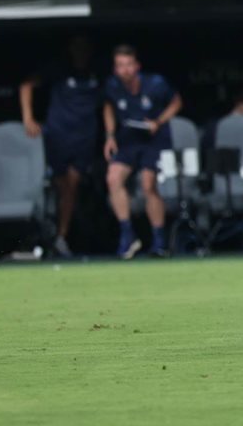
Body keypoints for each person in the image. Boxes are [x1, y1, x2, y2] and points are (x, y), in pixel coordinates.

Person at [19, 36, 100, 257]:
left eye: (85, 48)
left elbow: (107, 104)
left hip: (84, 139)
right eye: (77, 47)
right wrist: (28, 118)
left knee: (72, 185)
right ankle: (53, 235)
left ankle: (61, 236)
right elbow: (26, 85)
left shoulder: (97, 73)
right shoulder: (59, 70)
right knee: (61, 186)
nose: (81, 52)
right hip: (58, 137)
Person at [103, 45, 183, 259]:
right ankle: (127, 235)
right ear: (115, 69)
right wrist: (110, 136)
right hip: (128, 139)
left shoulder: (155, 83)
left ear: (137, 66)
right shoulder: (112, 86)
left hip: (154, 139)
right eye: (120, 66)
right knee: (113, 179)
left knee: (148, 185)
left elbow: (176, 102)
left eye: (129, 64)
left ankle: (159, 240)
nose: (125, 70)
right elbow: (108, 107)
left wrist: (159, 121)